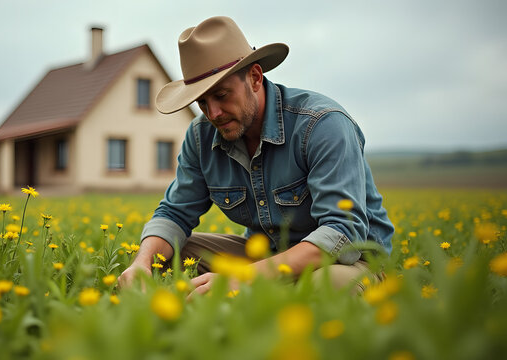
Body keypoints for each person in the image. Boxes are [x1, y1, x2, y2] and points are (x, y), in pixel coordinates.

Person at [118, 16, 394, 296]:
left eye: (222, 95)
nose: (213, 113)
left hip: (343, 262)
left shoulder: (322, 125)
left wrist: (246, 277)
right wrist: (143, 262)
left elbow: (341, 234)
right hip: (262, 259)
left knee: (328, 286)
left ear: (255, 77)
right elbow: (175, 213)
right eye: (202, 102)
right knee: (170, 253)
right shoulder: (200, 136)